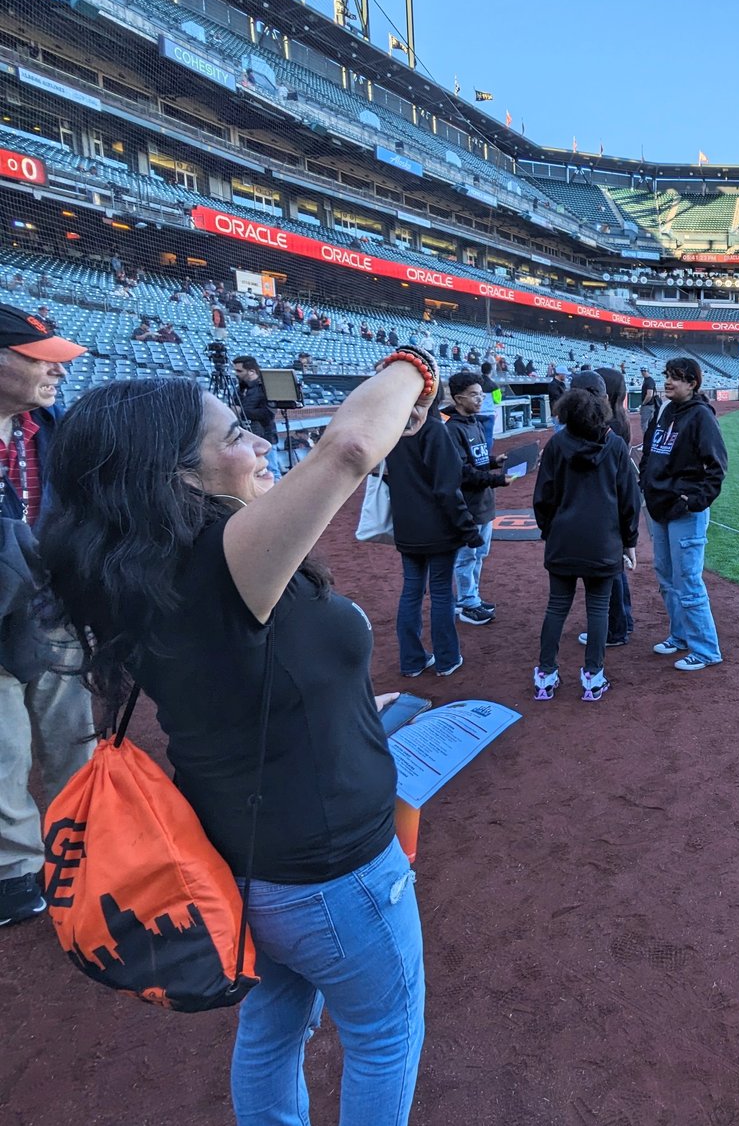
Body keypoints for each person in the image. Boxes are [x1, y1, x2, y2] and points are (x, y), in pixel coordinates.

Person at [38, 347, 439, 1122]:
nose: (258, 444)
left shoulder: (140, 569)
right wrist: (412, 366)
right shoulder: (217, 566)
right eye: (233, 437)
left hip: (238, 858)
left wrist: (346, 706)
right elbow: (352, 447)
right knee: (385, 1033)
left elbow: (250, 680)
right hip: (331, 871)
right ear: (175, 477)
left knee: (273, 1027)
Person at [0, 305, 94, 928]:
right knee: (3, 750)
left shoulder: (52, 429)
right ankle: (13, 870)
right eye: (41, 357)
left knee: (73, 738)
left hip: (50, 603)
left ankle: (81, 850)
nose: (57, 369)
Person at [532, 382, 639, 702]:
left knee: (556, 608)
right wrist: (628, 541)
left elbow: (543, 498)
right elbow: (628, 500)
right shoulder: (616, 446)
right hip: (603, 543)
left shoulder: (555, 445)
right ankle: (593, 677)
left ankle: (545, 676)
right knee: (598, 610)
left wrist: (551, 530)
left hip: (564, 540)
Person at [638, 358, 727, 672]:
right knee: (666, 577)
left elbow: (717, 468)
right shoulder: (665, 411)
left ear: (693, 383)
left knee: (687, 580)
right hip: (659, 506)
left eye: (676, 378)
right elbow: (650, 451)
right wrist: (645, 483)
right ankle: (679, 636)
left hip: (684, 511)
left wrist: (694, 501)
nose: (668, 382)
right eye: (667, 376)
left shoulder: (701, 416)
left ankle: (706, 650)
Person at [385, 395, 481, 678]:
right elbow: (447, 489)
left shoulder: (394, 427)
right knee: (441, 592)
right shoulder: (434, 429)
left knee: (411, 591)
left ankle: (412, 660)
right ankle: (447, 658)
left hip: (406, 525)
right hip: (437, 528)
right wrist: (468, 529)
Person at [576, 368, 637, 651]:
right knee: (615, 572)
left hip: (603, 508)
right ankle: (621, 623)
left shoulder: (608, 424)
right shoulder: (619, 420)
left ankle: (615, 629)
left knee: (608, 574)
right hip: (613, 506)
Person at [443, 372, 510, 627]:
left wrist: (494, 462)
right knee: (466, 556)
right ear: (459, 398)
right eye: (474, 394)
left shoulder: (474, 422)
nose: (480, 398)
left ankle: (473, 597)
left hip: (483, 502)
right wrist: (496, 479)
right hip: (468, 504)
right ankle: (467, 603)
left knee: (479, 554)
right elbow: (461, 471)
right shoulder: (452, 427)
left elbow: (478, 460)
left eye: (481, 394)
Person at [233, 355, 281, 480]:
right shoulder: (239, 389)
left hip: (265, 436)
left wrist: (241, 411)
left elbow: (268, 414)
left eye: (239, 371)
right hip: (246, 438)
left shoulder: (266, 388)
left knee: (272, 472)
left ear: (252, 371)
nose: (236, 374)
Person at [477, 361, 500, 452]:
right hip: (489, 413)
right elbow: (497, 401)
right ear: (490, 371)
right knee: (488, 436)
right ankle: (487, 456)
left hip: (477, 413)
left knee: (476, 436)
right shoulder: (494, 385)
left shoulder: (476, 384)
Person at [638, 367, 660, 437]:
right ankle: (649, 442)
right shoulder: (647, 380)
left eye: (644, 371)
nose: (642, 373)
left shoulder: (649, 381)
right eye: (642, 371)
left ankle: (646, 443)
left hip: (647, 406)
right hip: (650, 405)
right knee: (650, 425)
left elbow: (649, 395)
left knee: (644, 425)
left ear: (647, 371)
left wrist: (643, 404)